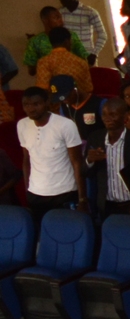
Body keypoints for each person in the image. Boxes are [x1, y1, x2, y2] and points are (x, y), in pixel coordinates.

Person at [16, 86, 86, 223]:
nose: (31, 109)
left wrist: (82, 199)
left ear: (47, 102)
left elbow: (77, 162)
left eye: (36, 104)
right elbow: (27, 160)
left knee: (65, 235)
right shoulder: (22, 125)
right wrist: (27, 189)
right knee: (42, 236)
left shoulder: (65, 125)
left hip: (64, 193)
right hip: (35, 194)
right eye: (26, 105)